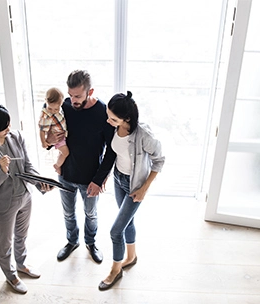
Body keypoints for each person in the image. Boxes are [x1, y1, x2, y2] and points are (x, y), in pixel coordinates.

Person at [0, 102, 52, 294]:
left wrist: (40, 183)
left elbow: (27, 166)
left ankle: (22, 264)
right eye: (4, 126)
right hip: (3, 205)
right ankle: (11, 275)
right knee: (4, 242)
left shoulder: (15, 137)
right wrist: (2, 171)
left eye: (9, 123)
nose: (9, 128)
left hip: (24, 196)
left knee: (22, 236)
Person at [46, 70, 116, 264]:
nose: (72, 100)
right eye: (70, 95)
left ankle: (91, 242)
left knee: (91, 214)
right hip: (66, 174)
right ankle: (72, 241)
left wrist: (99, 179)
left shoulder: (103, 112)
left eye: (77, 96)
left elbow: (112, 151)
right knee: (68, 212)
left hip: (90, 178)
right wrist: (49, 140)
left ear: (90, 91)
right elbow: (51, 132)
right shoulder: (65, 106)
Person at [98, 91, 165, 291]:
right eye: (108, 115)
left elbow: (159, 160)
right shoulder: (115, 128)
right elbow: (115, 154)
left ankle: (115, 271)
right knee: (128, 222)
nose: (108, 121)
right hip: (119, 178)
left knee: (115, 231)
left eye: (113, 118)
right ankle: (131, 257)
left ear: (127, 118)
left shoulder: (144, 135)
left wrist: (144, 188)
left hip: (134, 185)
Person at [38, 87, 69, 175]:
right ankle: (57, 165)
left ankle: (58, 165)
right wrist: (43, 142)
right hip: (57, 137)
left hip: (62, 135)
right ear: (45, 101)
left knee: (61, 152)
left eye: (56, 109)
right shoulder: (46, 115)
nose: (53, 111)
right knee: (65, 152)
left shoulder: (60, 108)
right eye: (50, 108)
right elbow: (42, 130)